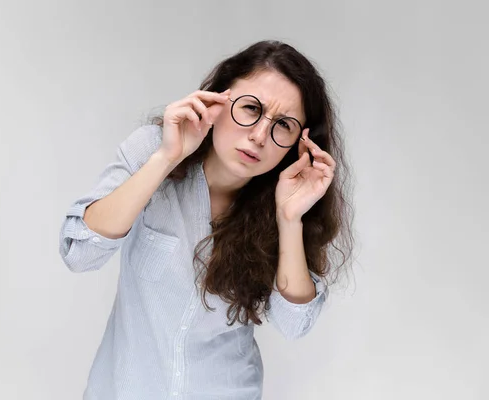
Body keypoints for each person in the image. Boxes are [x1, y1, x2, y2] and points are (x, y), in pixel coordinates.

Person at [59, 40, 354, 400]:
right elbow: (80, 252)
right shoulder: (153, 150)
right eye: (250, 108)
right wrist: (166, 158)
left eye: (284, 125)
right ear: (217, 99)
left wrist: (289, 219)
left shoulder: (287, 201)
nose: (260, 136)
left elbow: (294, 325)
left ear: (298, 143)